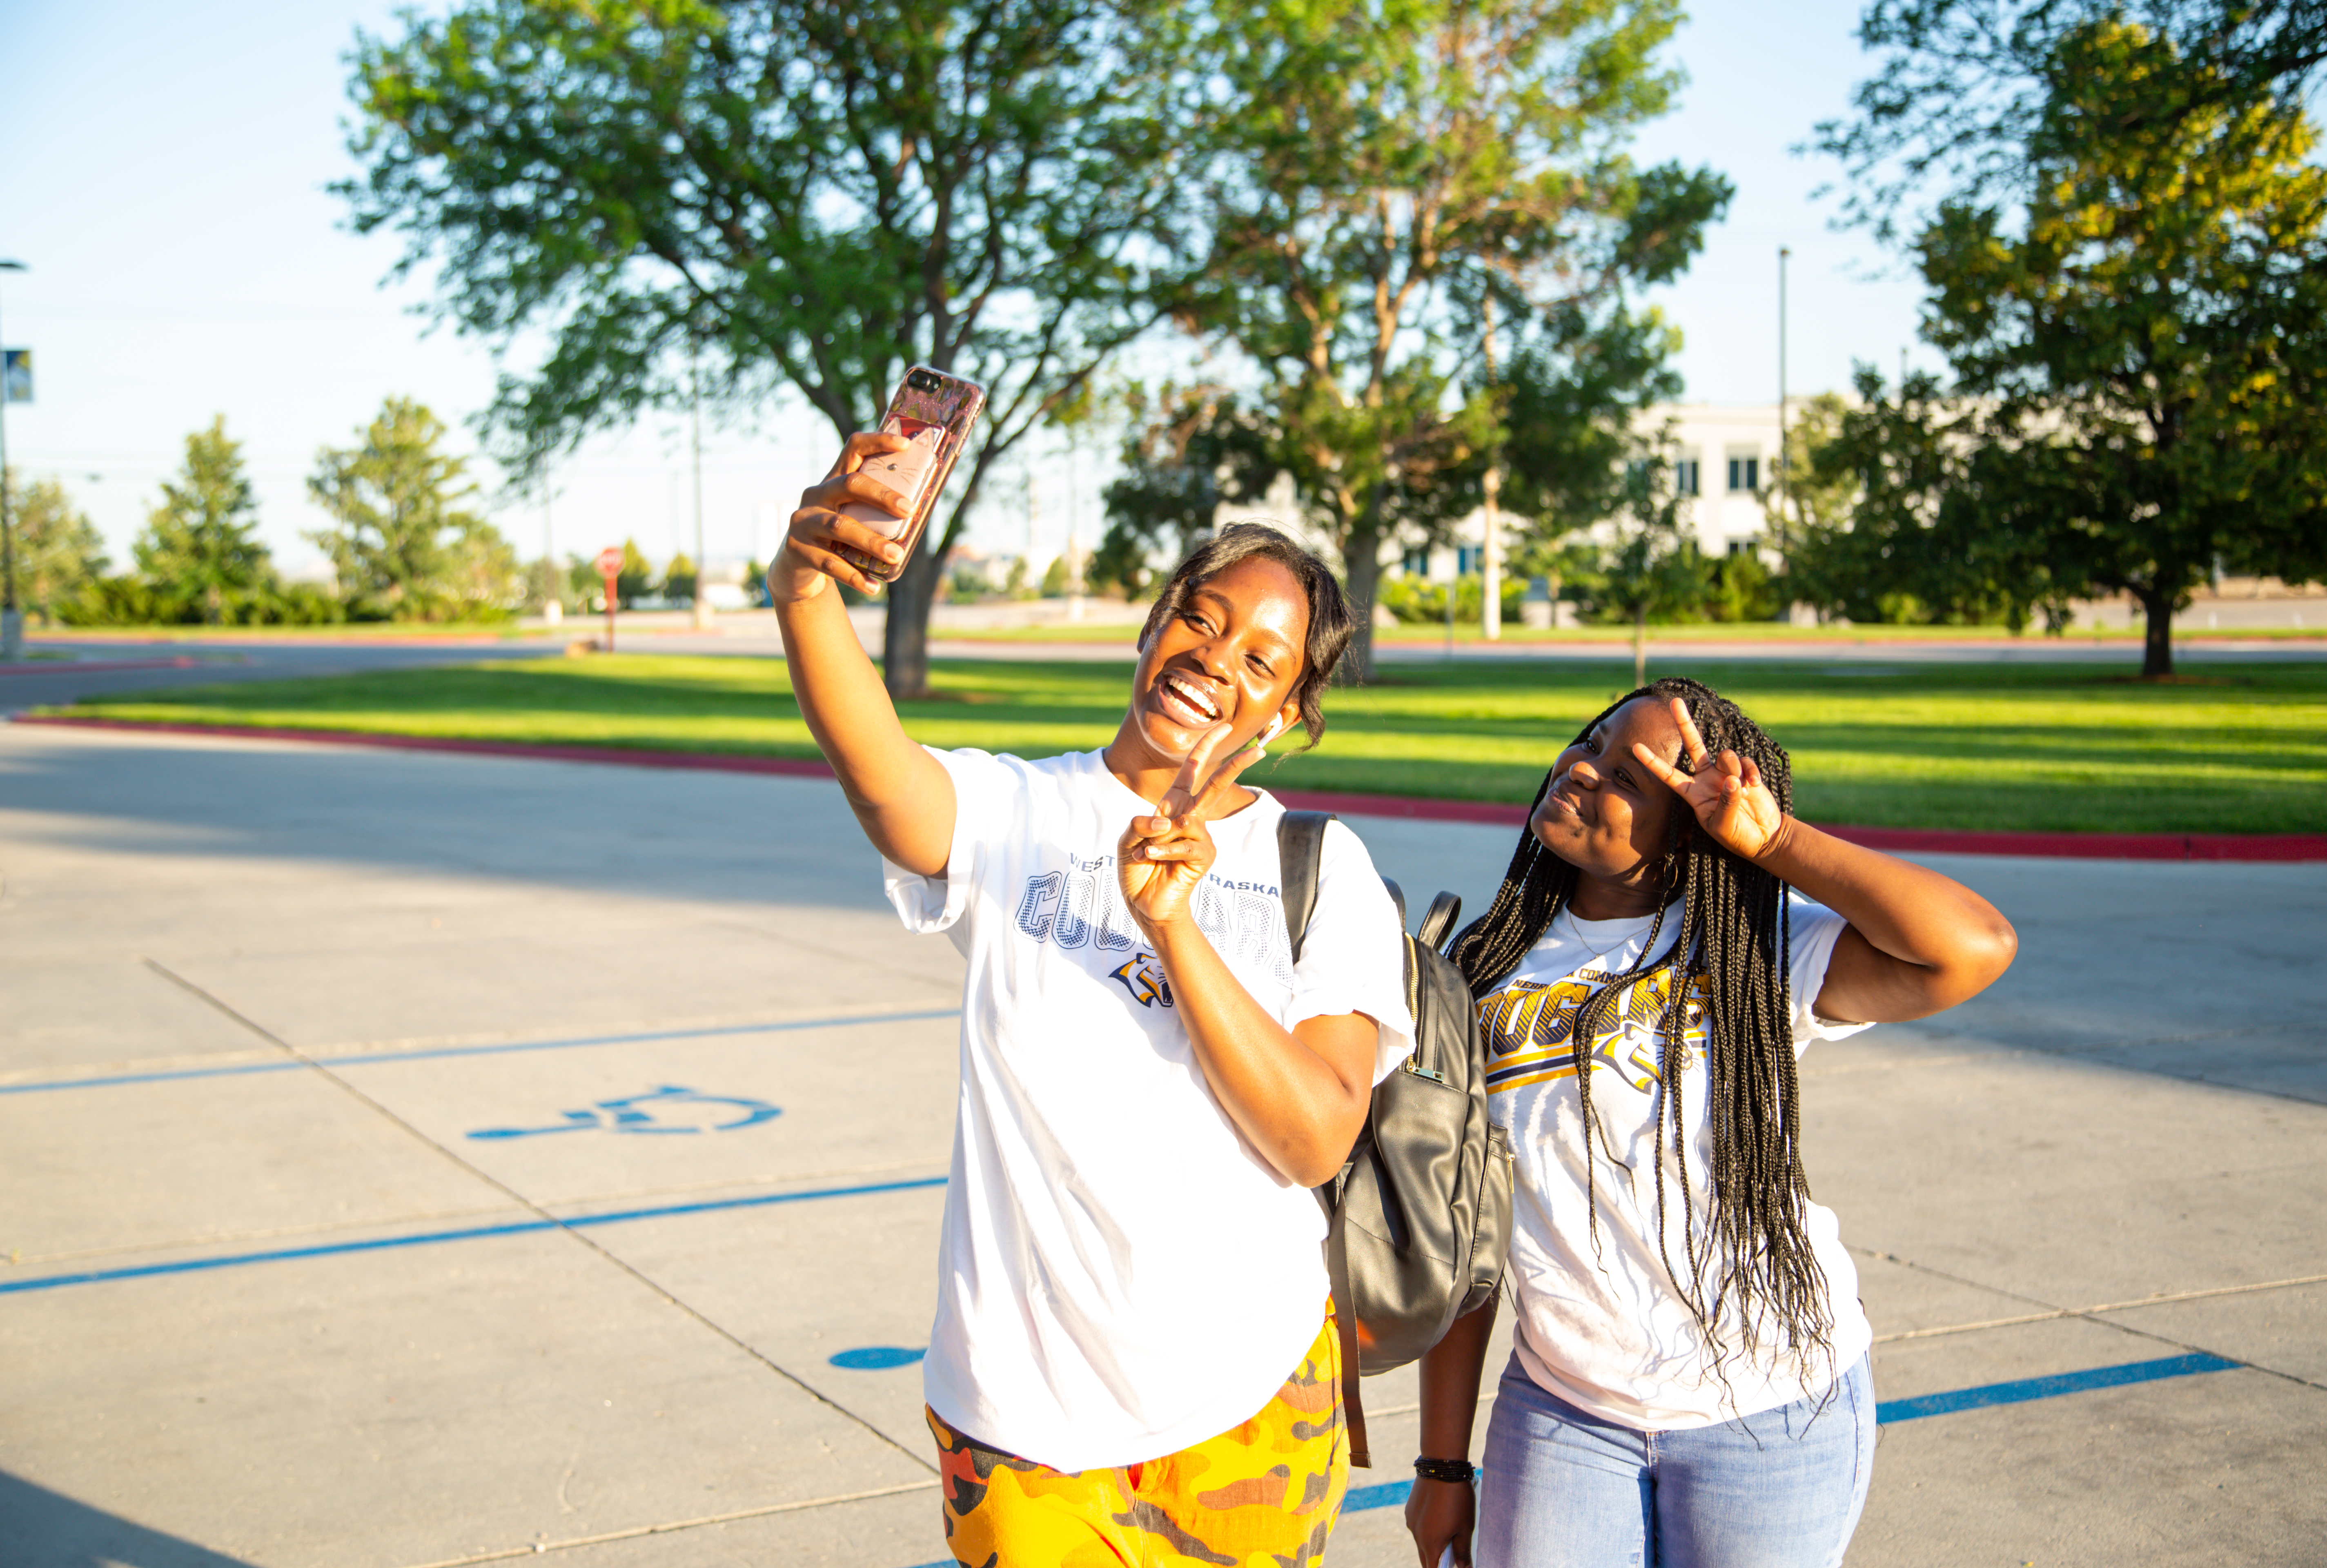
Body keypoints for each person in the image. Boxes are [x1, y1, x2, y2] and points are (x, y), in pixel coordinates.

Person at [770, 429, 1415, 1568]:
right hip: (1022, 1416)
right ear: (1156, 618)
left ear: (1290, 712)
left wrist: (1174, 930)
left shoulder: (1323, 867)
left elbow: (1315, 1136)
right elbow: (877, 770)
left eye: (1262, 662)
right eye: (1203, 620)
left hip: (1249, 1396)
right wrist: (803, 582)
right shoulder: (1017, 813)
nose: (1216, 662)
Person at [1403, 677, 2017, 1568]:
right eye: (1591, 744)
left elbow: (1972, 946)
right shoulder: (1481, 963)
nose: (1582, 769)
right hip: (1567, 1407)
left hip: (1770, 1411)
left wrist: (1776, 843)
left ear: (1690, 823)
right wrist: (1444, 1461)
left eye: (1629, 775)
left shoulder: (1756, 945)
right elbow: (1470, 1238)